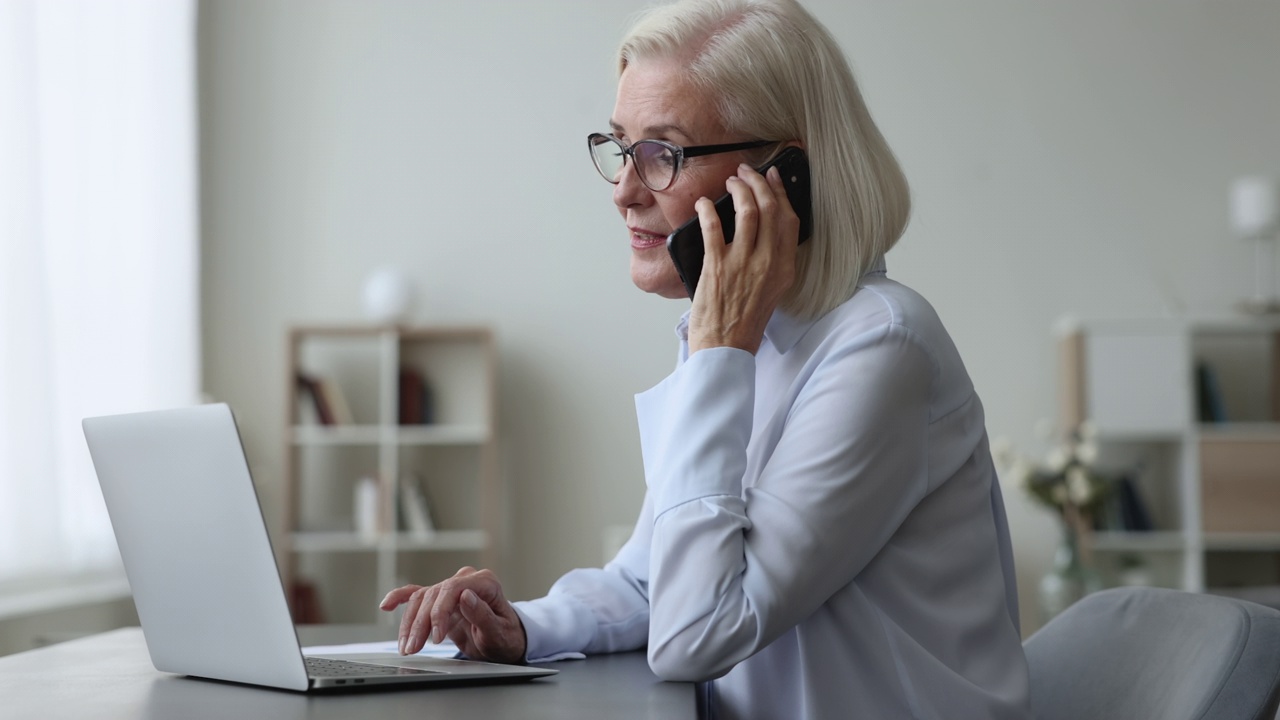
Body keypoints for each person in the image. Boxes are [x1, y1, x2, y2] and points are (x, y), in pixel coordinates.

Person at [380, 0, 1032, 717]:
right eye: (622, 147)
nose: (626, 191)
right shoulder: (747, 334)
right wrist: (526, 625)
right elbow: (651, 581)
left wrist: (721, 352)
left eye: (664, 153)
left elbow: (697, 631)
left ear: (787, 177)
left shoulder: (880, 347)